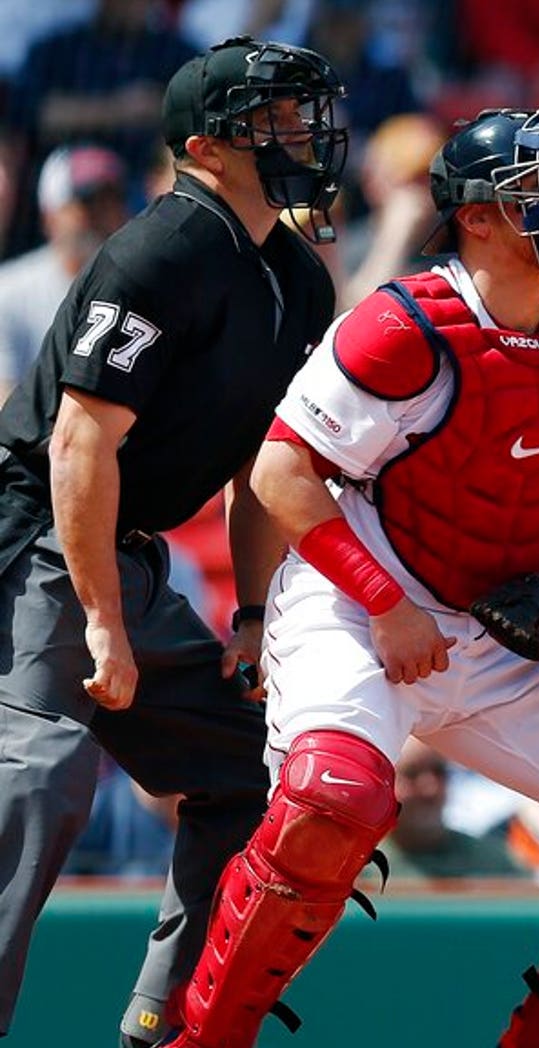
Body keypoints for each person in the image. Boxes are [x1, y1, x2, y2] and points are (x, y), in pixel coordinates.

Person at [157, 107, 539, 1048]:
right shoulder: (402, 325)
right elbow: (280, 474)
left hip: (498, 626)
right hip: (357, 601)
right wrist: (385, 606)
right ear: (475, 216)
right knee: (332, 802)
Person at [0, 38, 345, 1048]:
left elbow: (263, 474)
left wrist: (248, 614)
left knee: (253, 778)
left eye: (302, 113)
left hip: (127, 556)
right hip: (31, 544)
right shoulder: (161, 248)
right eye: (271, 121)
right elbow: (76, 443)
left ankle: (166, 1025)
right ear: (204, 146)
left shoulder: (293, 273)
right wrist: (104, 621)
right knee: (38, 777)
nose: (301, 134)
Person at [0, 145, 130, 393]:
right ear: (49, 215)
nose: (101, 216)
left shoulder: (143, 288)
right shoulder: (8, 293)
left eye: (111, 200)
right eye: (87, 203)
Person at [376, 739, 527, 884]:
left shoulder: (495, 864)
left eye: (438, 772)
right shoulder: (359, 867)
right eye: (412, 774)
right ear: (382, 783)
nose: (431, 789)